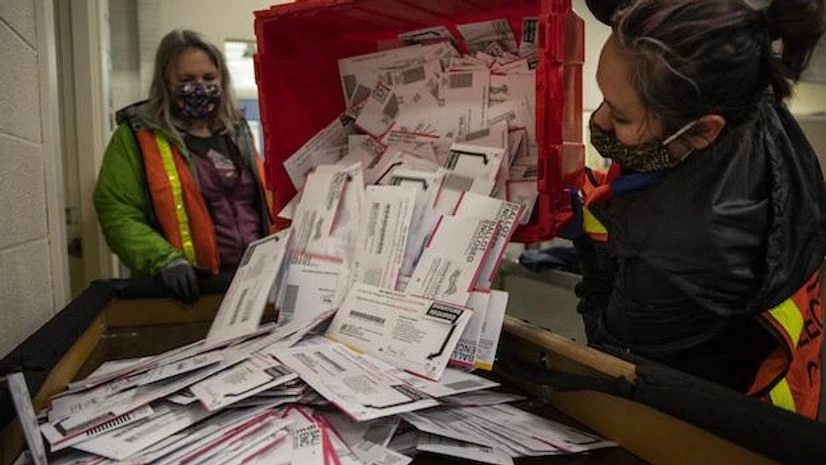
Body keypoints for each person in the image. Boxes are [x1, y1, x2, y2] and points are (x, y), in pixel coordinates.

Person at [577, 0, 826, 419]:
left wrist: (591, 241)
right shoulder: (744, 93)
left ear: (703, 130)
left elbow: (615, 361)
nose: (599, 121)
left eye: (619, 116)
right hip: (796, 386)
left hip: (732, 435)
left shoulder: (672, 252)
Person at [94, 30, 273, 303]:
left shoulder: (236, 133)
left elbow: (260, 202)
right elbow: (118, 211)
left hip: (250, 286)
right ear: (166, 83)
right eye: (187, 80)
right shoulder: (137, 135)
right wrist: (164, 260)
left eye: (209, 78)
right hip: (187, 292)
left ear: (222, 80)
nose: (200, 87)